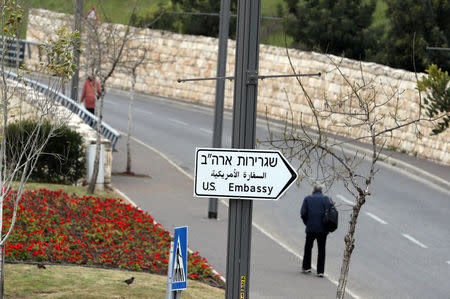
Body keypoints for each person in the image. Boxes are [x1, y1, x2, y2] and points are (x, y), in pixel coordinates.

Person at [300, 184, 332, 277]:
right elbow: (332, 213)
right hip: (323, 229)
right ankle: (320, 271)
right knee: (321, 249)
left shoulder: (307, 199)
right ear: (321, 191)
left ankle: (306, 267)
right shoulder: (327, 199)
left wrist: (307, 223)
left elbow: (303, 213)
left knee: (308, 248)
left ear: (313, 190)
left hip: (310, 228)